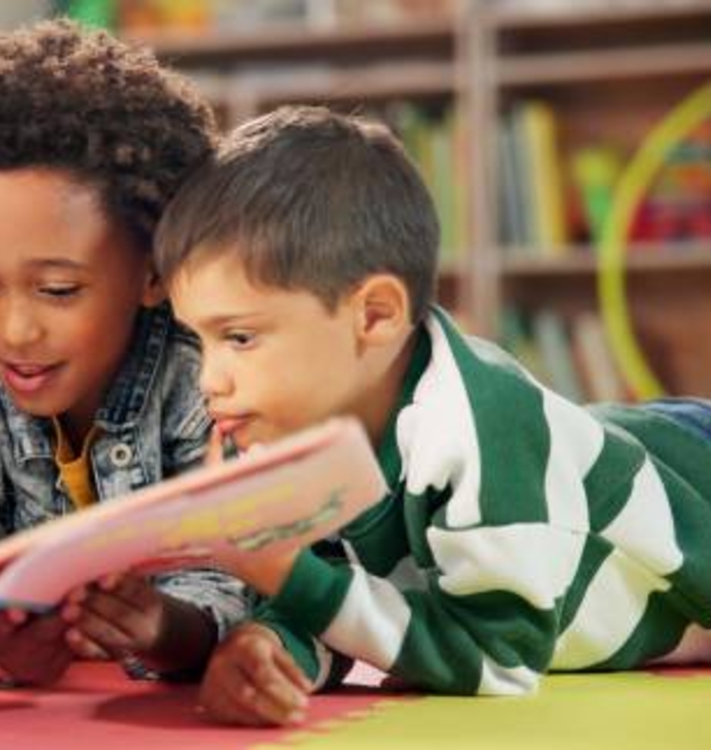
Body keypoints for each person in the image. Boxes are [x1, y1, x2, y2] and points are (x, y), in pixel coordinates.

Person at [153, 105, 711, 726]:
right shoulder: (269, 431)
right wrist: (268, 651)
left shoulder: (474, 431)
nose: (208, 379)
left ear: (374, 316)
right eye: (196, 340)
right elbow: (340, 607)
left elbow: (499, 655)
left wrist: (289, 575)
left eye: (239, 338)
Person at [0, 19, 247, 687]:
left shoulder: (207, 372)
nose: (14, 331)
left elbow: (240, 583)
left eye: (57, 289)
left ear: (153, 271)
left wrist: (164, 629)